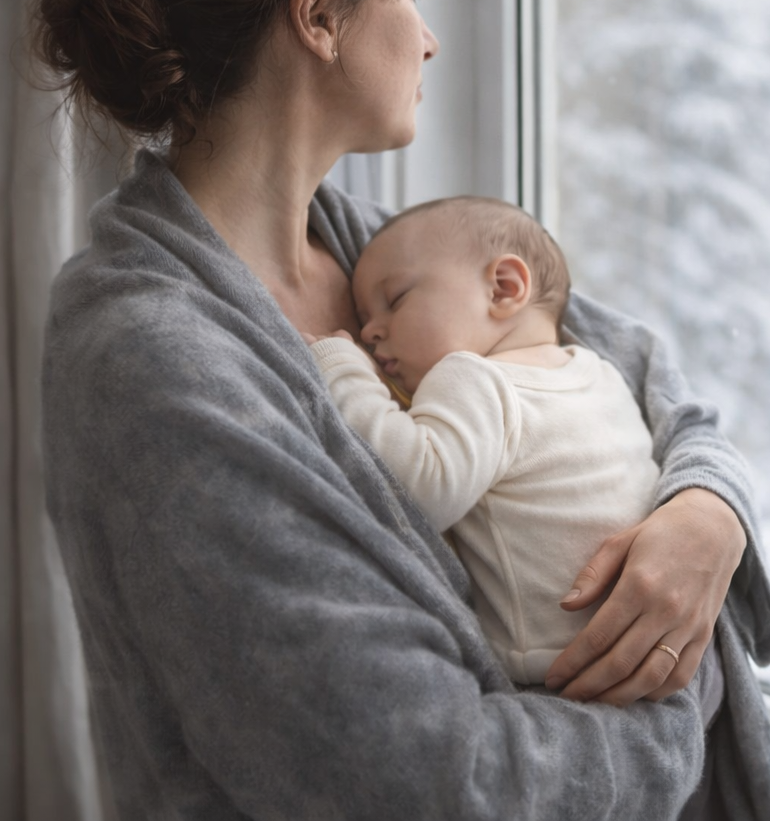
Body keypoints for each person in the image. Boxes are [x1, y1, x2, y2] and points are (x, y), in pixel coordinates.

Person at [33, 0, 770, 820]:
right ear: (319, 12)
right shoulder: (149, 360)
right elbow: (432, 784)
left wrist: (707, 516)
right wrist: (681, 685)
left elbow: (649, 386)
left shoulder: (375, 256)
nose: (430, 38)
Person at [306, 196, 726, 701]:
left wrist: (342, 370)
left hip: (554, 671)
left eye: (394, 300)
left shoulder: (474, 378)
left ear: (504, 288)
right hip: (654, 651)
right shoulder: (600, 372)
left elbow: (416, 488)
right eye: (363, 319)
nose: (370, 332)